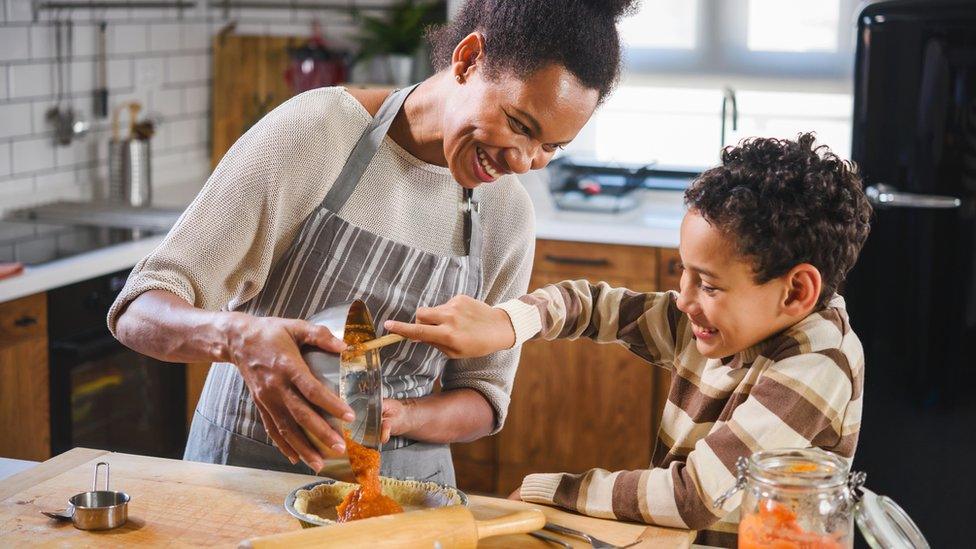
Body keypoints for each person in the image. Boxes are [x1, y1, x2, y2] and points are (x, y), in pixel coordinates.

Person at [107, 0, 640, 485]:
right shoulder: (317, 134)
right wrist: (238, 337)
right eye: (519, 125)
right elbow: (139, 309)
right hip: (248, 477)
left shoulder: (507, 215)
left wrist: (404, 417)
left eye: (551, 147)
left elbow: (484, 396)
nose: (524, 161)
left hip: (409, 491)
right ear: (468, 58)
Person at [386, 133, 872, 545]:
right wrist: (507, 324)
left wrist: (552, 490)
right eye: (685, 272)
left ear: (796, 291)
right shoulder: (732, 320)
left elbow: (694, 496)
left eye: (709, 284)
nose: (683, 299)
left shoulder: (818, 361)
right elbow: (594, 305)